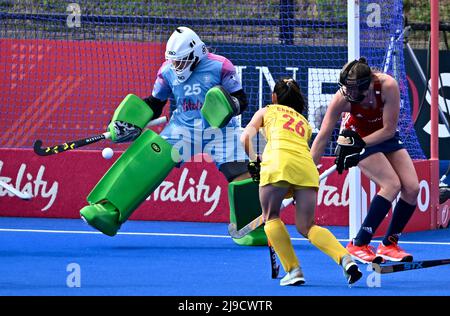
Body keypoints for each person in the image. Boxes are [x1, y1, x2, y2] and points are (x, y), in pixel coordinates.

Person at [79, 26, 254, 237]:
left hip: (221, 130)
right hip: (182, 129)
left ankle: (253, 227)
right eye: (174, 60)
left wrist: (230, 105)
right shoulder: (167, 71)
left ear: (196, 53)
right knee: (147, 159)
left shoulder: (220, 65)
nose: (177, 65)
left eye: (181, 60)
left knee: (240, 173)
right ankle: (108, 209)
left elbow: (241, 100)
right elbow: (155, 103)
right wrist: (127, 123)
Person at [240, 77, 362, 286]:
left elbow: (245, 138)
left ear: (274, 97)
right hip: (306, 168)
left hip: (278, 163)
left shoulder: (267, 110)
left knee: (271, 217)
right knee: (307, 226)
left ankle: (294, 270)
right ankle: (346, 259)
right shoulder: (303, 123)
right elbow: (296, 155)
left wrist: (253, 162)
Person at [310, 57, 420, 263]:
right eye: (346, 88)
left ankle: (389, 244)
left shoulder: (388, 86)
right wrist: (307, 172)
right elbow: (323, 135)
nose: (348, 94)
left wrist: (359, 144)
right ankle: (359, 243)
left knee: (412, 188)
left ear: (367, 85)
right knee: (391, 184)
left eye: (353, 89)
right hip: (353, 135)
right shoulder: (342, 99)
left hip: (380, 137)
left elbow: (388, 130)